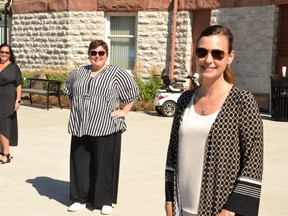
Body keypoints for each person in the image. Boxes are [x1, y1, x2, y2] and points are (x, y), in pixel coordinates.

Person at [164, 25, 263, 216]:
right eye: (202, 52)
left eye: (217, 54)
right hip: (181, 207)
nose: (208, 60)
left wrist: (231, 209)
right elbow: (172, 153)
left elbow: (253, 160)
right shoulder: (185, 100)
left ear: (230, 57)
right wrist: (169, 198)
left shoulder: (242, 101)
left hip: (221, 209)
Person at [63, 40, 139, 215]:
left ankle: (104, 201)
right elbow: (68, 91)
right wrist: (77, 109)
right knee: (79, 164)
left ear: (106, 55)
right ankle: (79, 198)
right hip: (81, 126)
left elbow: (133, 93)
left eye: (101, 53)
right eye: (93, 53)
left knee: (105, 165)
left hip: (106, 126)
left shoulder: (117, 73)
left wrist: (123, 111)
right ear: (88, 54)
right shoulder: (79, 72)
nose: (97, 56)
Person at [0, 43, 23, 164]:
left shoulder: (14, 68)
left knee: (3, 126)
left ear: (10, 54)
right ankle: (2, 151)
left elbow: (18, 85)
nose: (4, 54)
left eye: (6, 52)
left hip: (7, 100)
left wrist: (18, 101)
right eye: (2, 52)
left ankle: (6, 154)